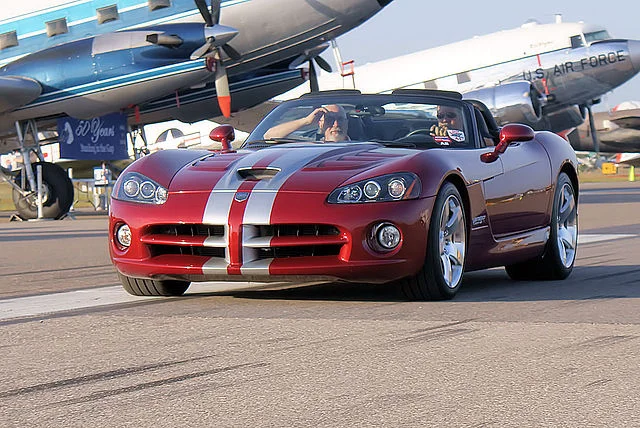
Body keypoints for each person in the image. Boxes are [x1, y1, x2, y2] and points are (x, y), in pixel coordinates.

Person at [263, 104, 349, 142]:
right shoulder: (306, 141)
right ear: (320, 123)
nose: (336, 124)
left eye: (341, 119)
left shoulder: (361, 144)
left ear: (346, 123)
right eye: (330, 120)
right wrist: (306, 121)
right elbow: (269, 136)